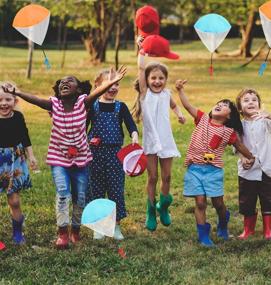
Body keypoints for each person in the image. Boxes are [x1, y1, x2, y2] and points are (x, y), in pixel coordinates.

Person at [2, 67, 126, 249]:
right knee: (62, 194)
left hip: (81, 160)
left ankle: (75, 231)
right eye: (61, 82)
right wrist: (17, 92)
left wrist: (108, 82)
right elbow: (36, 101)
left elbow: (96, 93)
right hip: (59, 159)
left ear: (79, 90)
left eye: (70, 81)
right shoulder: (54, 105)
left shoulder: (83, 103)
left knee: (80, 197)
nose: (64, 83)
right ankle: (62, 234)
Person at [176, 79, 254, 247]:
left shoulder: (228, 132)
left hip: (213, 171)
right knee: (200, 202)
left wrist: (250, 157)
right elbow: (188, 106)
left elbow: (240, 146)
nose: (219, 105)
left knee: (218, 203)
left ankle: (223, 221)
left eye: (224, 105)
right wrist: (180, 90)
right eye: (218, 103)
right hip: (194, 169)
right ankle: (203, 235)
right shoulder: (202, 119)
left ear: (229, 116)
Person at [132, 39, 186, 232]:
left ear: (165, 80)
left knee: (168, 176)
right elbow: (140, 68)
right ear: (146, 81)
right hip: (150, 142)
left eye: (161, 78)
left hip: (166, 140)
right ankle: (150, 210)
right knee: (153, 177)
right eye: (153, 78)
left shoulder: (166, 94)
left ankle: (163, 206)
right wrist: (142, 50)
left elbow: (173, 105)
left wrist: (179, 114)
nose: (157, 81)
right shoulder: (145, 94)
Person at [87, 69, 139, 240]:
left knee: (115, 190)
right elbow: (82, 126)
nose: (113, 87)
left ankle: (115, 226)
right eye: (108, 83)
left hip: (116, 154)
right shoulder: (92, 106)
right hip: (94, 154)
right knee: (97, 190)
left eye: (116, 83)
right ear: (97, 86)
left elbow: (131, 124)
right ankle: (99, 226)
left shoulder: (120, 106)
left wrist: (134, 134)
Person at [236, 88, 271, 241]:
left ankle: (268, 231)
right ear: (239, 108)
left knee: (268, 199)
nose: (251, 102)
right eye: (246, 100)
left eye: (254, 99)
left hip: (266, 169)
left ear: (259, 104)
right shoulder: (239, 126)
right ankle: (248, 230)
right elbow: (236, 145)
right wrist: (243, 158)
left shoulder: (265, 121)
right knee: (247, 200)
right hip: (247, 171)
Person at [0, 82, 37, 246]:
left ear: (15, 101)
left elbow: (25, 137)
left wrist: (31, 156)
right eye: (0, 100)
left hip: (15, 160)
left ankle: (17, 232)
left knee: (14, 201)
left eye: (8, 99)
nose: (3, 103)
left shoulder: (18, 117)